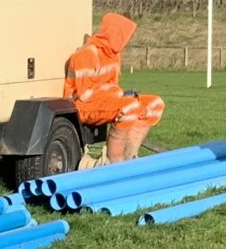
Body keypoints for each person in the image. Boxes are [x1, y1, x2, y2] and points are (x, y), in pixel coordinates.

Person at [64, 11, 165, 160]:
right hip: (82, 106)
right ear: (115, 34)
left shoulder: (113, 54)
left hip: (105, 100)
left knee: (155, 104)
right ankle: (114, 160)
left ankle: (131, 156)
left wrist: (122, 95)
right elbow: (85, 96)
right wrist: (120, 98)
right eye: (125, 36)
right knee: (129, 107)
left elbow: (112, 85)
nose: (127, 40)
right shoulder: (87, 55)